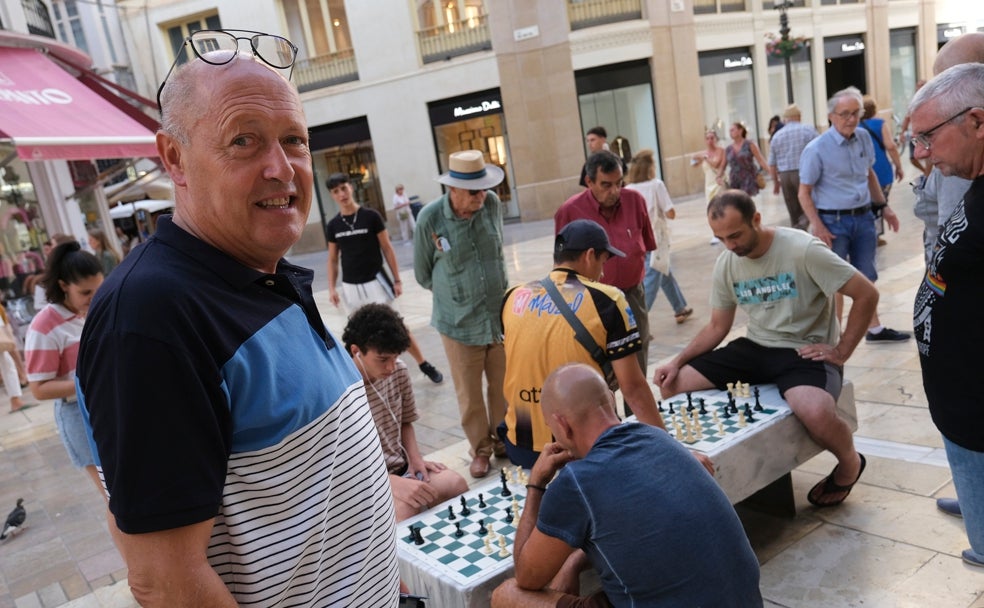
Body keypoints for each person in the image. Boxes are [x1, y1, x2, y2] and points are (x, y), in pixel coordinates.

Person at [76, 42, 399, 606]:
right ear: (175, 158)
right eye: (243, 141)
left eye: (294, 139)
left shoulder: (265, 270)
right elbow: (164, 580)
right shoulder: (152, 315)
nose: (282, 168)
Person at [654, 190, 878, 508]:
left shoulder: (803, 249)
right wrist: (677, 362)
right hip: (756, 346)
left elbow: (867, 294)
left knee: (815, 412)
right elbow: (717, 326)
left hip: (803, 350)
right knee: (673, 385)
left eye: (735, 235)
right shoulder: (727, 262)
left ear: (756, 219)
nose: (730, 245)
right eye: (721, 238)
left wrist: (841, 351)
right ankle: (713, 473)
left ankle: (849, 463)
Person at [491, 363, 762, 608]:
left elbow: (527, 576)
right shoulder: (658, 437)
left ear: (562, 425)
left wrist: (536, 484)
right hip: (745, 600)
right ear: (611, 400)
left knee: (507, 595)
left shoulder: (576, 481)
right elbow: (638, 533)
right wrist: (571, 563)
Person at [499, 220, 670, 470]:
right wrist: (669, 449)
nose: (602, 273)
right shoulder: (608, 299)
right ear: (590, 255)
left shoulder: (512, 297)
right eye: (603, 262)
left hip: (522, 446)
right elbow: (633, 388)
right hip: (583, 450)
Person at [910, 62, 984, 568]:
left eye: (928, 137)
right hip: (961, 409)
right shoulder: (972, 180)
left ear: (976, 121)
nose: (921, 153)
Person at [414, 149, 509, 479]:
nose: (481, 196)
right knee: (469, 395)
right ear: (452, 189)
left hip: (497, 317)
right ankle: (480, 450)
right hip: (458, 323)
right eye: (473, 191)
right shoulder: (430, 219)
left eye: (484, 189)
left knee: (502, 386)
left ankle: (503, 440)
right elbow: (423, 273)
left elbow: (497, 253)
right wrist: (456, 294)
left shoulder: (491, 205)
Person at [798, 86, 911, 343]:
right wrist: (818, 226)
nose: (851, 119)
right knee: (834, 280)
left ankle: (874, 329)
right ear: (831, 116)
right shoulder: (817, 149)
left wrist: (884, 207)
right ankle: (834, 334)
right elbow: (804, 192)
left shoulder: (862, 137)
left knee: (867, 275)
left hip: (863, 218)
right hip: (832, 222)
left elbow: (868, 174)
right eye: (845, 114)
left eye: (855, 113)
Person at [342, 303, 467, 521]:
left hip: (402, 467)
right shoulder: (339, 389)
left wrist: (415, 459)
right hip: (364, 484)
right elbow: (342, 462)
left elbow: (406, 421)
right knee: (406, 511)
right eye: (383, 359)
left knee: (455, 484)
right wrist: (391, 483)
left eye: (395, 357)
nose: (391, 367)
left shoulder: (399, 370)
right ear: (356, 351)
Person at [325, 172, 443, 384]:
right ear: (332, 195)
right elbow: (333, 259)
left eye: (343, 188)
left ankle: (424, 363)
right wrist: (332, 288)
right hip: (351, 285)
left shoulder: (371, 216)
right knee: (356, 332)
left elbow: (387, 249)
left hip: (376, 282)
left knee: (395, 327)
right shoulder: (333, 225)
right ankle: (358, 378)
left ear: (351, 187)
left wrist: (397, 280)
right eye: (335, 191)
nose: (341, 194)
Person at [556, 150, 655, 381]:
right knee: (595, 368)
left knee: (637, 359)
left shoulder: (635, 201)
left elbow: (647, 244)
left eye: (619, 183)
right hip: (590, 300)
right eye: (606, 185)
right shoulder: (569, 211)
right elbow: (561, 264)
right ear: (589, 182)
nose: (615, 191)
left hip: (632, 296)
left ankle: (635, 405)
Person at [25, 242, 103, 491]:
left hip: (106, 405)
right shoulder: (44, 326)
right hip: (77, 413)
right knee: (114, 496)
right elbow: (38, 389)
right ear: (63, 286)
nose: (93, 297)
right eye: (85, 292)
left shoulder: (93, 310)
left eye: (98, 289)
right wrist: (89, 382)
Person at [623, 149, 693, 322]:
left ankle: (680, 308)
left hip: (635, 239)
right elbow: (670, 213)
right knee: (653, 276)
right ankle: (636, 320)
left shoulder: (628, 189)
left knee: (664, 270)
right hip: (655, 238)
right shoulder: (656, 185)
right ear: (649, 168)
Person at [767, 103, 818, 230]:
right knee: (812, 201)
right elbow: (820, 151)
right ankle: (804, 222)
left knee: (793, 208)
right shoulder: (808, 130)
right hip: (804, 172)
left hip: (785, 175)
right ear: (798, 116)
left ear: (785, 119)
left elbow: (772, 163)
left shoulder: (777, 136)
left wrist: (775, 182)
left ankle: (798, 230)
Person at [692, 129, 728, 245]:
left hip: (718, 182)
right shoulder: (704, 154)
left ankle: (726, 230)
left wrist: (705, 158)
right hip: (708, 184)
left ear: (716, 139)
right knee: (711, 209)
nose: (710, 140)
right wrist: (698, 158)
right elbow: (693, 161)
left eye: (712, 138)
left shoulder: (721, 151)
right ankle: (716, 233)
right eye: (707, 138)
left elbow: (717, 164)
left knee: (722, 207)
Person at [724, 122, 769, 197]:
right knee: (737, 201)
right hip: (735, 179)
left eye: (732, 130)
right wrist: (719, 176)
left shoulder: (749, 144)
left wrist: (771, 171)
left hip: (748, 177)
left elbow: (760, 160)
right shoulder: (728, 149)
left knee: (745, 199)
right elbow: (723, 164)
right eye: (729, 131)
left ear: (740, 130)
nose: (730, 133)